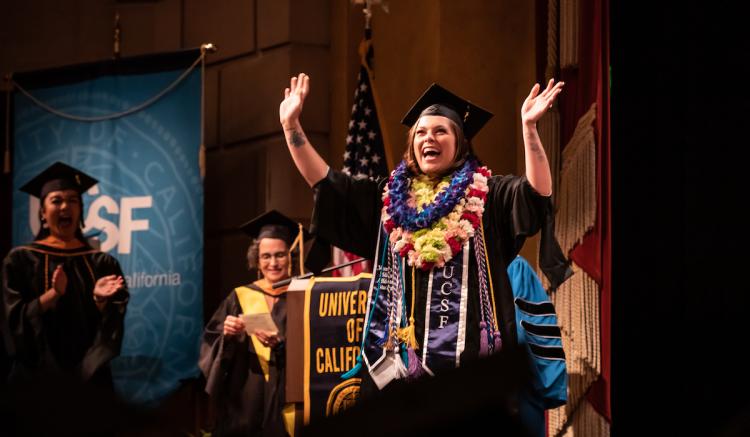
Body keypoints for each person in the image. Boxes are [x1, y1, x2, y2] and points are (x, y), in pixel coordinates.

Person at [278, 73, 572, 405]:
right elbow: (328, 186)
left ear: (459, 142)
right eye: (420, 132)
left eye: (439, 131)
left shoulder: (488, 196)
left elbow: (537, 192)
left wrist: (529, 131)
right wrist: (292, 129)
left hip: (471, 379)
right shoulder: (388, 200)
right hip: (400, 376)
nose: (427, 138)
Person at [1, 161, 129, 389]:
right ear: (42, 212)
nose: (64, 207)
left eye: (72, 200)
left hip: (89, 378)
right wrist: (52, 295)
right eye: (56, 200)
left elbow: (112, 321)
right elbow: (13, 322)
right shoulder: (20, 260)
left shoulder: (100, 262)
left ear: (80, 210)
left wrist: (100, 299)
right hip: (37, 379)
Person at [199, 209, 310, 437]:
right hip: (244, 401)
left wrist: (281, 346)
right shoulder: (240, 296)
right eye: (266, 256)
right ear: (257, 260)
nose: (273, 263)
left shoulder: (304, 294)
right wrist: (227, 335)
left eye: (280, 255)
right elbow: (211, 345)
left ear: (291, 256)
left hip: (289, 399)